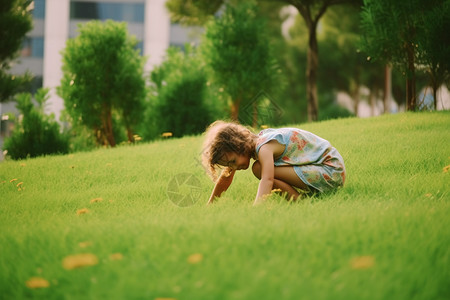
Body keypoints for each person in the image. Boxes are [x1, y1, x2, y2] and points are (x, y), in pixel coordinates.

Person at [201, 121, 346, 205]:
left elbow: (268, 180)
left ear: (240, 145)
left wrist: (256, 208)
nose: (233, 167)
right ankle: (303, 199)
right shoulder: (256, 143)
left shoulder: (264, 147)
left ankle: (300, 201)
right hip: (327, 170)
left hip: (330, 171)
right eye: (229, 165)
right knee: (259, 168)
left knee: (259, 170)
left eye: (233, 161)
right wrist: (210, 205)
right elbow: (225, 180)